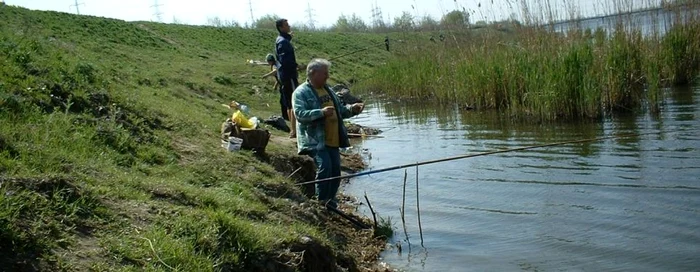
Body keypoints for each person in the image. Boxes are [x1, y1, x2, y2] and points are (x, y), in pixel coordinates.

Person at [292, 59, 364, 209]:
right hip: (315, 140)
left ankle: (330, 201)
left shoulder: (328, 90)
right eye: (325, 73)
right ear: (313, 73)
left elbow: (341, 110)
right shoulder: (300, 92)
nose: (327, 76)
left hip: (333, 138)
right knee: (325, 167)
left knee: (336, 171)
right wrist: (321, 113)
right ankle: (321, 201)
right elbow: (300, 115)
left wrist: (352, 109)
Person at [275, 18, 299, 138]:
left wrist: (289, 37)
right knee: (294, 102)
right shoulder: (283, 42)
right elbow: (285, 61)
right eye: (286, 25)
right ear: (281, 27)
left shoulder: (282, 40)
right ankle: (294, 131)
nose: (289, 26)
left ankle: (293, 130)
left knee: (290, 103)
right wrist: (296, 66)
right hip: (288, 76)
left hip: (285, 76)